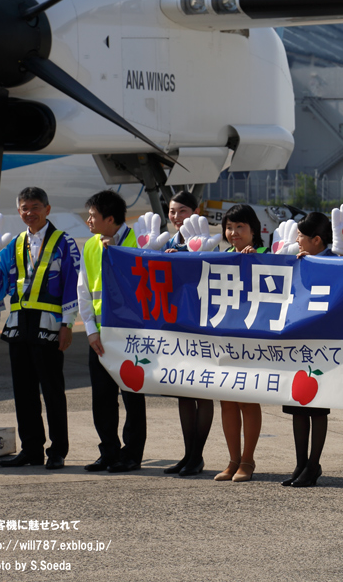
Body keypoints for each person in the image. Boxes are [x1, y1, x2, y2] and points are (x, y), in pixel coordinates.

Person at [0, 187, 79, 470]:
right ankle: (31, 449)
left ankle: (57, 451)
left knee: (52, 390)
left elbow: (73, 282)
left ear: (47, 209)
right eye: (24, 208)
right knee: (23, 391)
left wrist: (67, 325)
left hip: (49, 323)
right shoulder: (16, 242)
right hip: (19, 323)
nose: (29, 213)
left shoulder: (64, 241)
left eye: (35, 207)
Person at [78, 190, 147, 473]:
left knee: (133, 394)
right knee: (102, 397)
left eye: (92, 216)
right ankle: (108, 451)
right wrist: (90, 331)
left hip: (132, 335)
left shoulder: (139, 241)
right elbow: (84, 290)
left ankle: (131, 454)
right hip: (102, 334)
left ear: (110, 218)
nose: (88, 221)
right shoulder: (91, 245)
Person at [161, 191, 214, 477]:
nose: (176, 217)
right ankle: (187, 454)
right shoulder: (168, 242)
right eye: (171, 211)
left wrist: (188, 256)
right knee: (183, 392)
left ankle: (198, 456)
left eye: (182, 211)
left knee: (202, 391)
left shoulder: (205, 241)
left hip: (201, 324)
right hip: (176, 324)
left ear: (195, 212)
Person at [215, 203, 267, 482]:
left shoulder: (264, 256)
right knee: (227, 402)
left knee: (248, 401)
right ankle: (232, 459)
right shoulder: (221, 257)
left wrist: (256, 262)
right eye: (230, 227)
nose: (233, 232)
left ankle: (248, 460)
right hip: (224, 339)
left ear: (253, 230)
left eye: (240, 227)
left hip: (252, 340)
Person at [282, 212, 334, 488]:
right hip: (299, 343)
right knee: (297, 406)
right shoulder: (299, 261)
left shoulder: (337, 262)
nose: (297, 241)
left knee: (317, 409)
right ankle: (300, 463)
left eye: (301, 236)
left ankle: (314, 465)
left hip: (323, 347)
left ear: (316, 240)